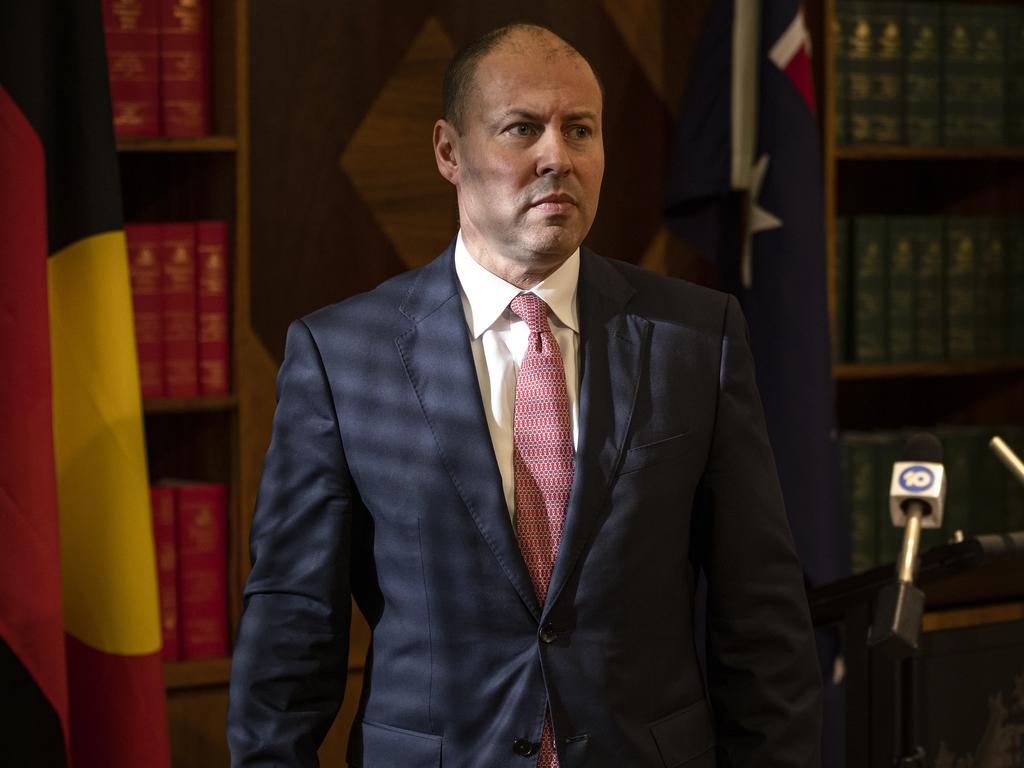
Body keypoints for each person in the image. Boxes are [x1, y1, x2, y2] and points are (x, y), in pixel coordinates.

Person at [227, 22, 821, 768]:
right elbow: (289, 636)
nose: (557, 159)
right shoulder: (342, 357)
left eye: (581, 131)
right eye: (521, 129)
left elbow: (762, 622)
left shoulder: (698, 338)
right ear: (449, 152)